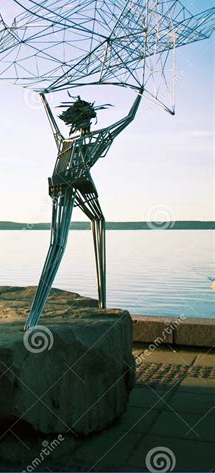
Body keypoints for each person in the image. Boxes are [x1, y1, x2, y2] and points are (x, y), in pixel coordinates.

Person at [24, 88, 143, 330]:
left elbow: (52, 125)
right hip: (76, 186)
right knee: (58, 244)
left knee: (96, 222)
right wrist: (139, 95)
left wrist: (44, 101)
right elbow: (127, 120)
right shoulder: (96, 138)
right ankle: (33, 317)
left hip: (60, 185)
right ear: (87, 118)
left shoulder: (64, 141)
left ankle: (101, 303)